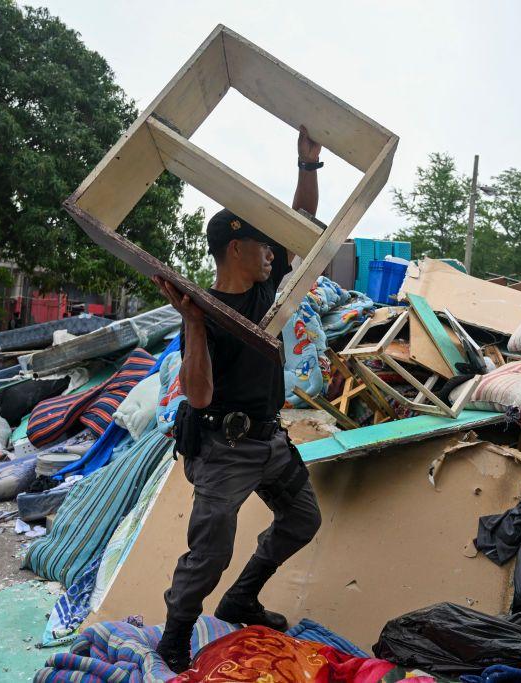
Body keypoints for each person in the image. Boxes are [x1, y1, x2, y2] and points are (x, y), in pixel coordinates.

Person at [152, 125, 325, 673]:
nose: (273, 255)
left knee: (302, 520)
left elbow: (299, 230)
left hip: (269, 439)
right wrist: (194, 324)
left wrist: (308, 165)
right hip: (222, 450)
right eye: (261, 246)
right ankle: (175, 634)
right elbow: (198, 394)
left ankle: (241, 600)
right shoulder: (202, 313)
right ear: (236, 248)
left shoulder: (265, 288)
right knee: (209, 555)